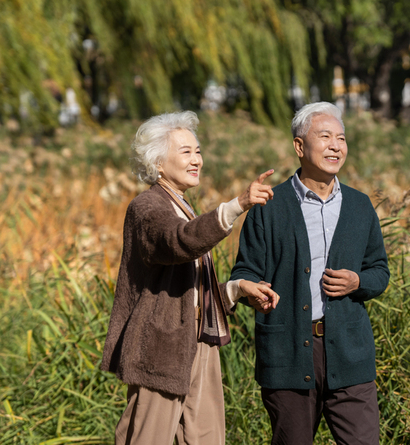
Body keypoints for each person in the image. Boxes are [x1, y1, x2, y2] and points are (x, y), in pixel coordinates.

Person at [101, 111, 279, 445]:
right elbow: (178, 241)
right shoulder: (147, 207)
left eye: (197, 151)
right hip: (160, 347)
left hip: (200, 342)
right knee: (147, 438)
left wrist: (236, 289)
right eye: (186, 152)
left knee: (206, 438)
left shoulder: (183, 206)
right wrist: (237, 205)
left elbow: (188, 293)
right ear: (157, 163)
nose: (197, 159)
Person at [229, 102, 390, 444]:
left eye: (341, 138)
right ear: (299, 146)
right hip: (288, 354)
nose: (336, 145)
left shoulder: (360, 206)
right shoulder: (269, 207)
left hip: (350, 355)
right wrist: (250, 290)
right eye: (325, 136)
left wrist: (357, 282)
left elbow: (380, 272)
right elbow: (244, 270)